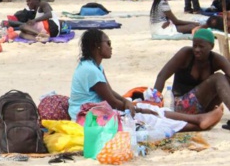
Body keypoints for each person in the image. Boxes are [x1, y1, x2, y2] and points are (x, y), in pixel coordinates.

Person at [68, 30, 222, 131]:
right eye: (107, 43)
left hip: (98, 109)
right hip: (88, 115)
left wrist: (129, 102)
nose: (111, 47)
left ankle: (199, 119)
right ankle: (196, 125)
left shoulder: (95, 67)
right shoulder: (90, 70)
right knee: (146, 118)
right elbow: (112, 102)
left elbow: (111, 92)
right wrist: (136, 108)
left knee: (152, 110)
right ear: (97, 47)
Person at [154, 28, 230, 117]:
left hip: (205, 107)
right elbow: (162, 76)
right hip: (181, 105)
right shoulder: (186, 54)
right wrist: (154, 103)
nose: (197, 50)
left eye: (201, 46)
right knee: (218, 77)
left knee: (227, 78)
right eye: (195, 46)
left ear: (211, 46)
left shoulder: (216, 59)